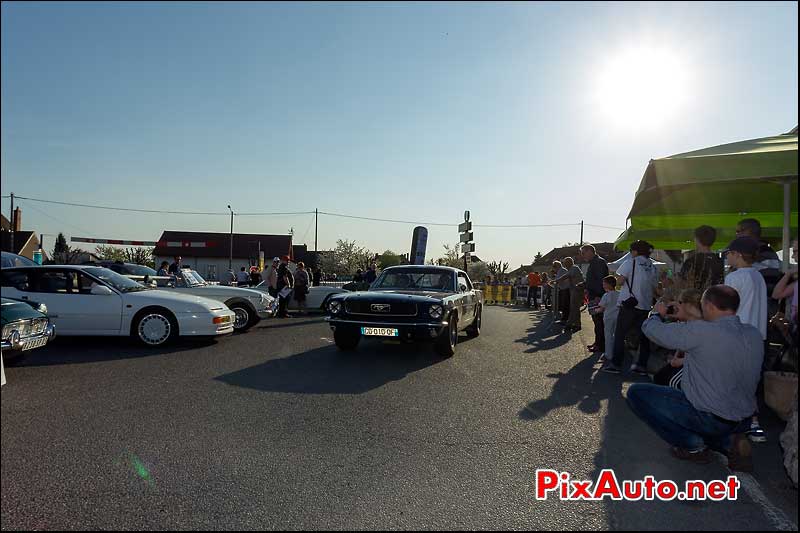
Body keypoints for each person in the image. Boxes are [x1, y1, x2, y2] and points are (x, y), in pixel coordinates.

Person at [626, 285, 763, 470]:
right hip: (743, 417)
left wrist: (657, 313)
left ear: (709, 306)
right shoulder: (753, 333)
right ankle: (728, 442)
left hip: (709, 417)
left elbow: (652, 330)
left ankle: (693, 445)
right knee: (712, 416)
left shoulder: (702, 332)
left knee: (636, 393)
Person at [723, 236, 768, 442]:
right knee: (750, 383)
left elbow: (725, 309)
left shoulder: (735, 278)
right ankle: (753, 424)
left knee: (732, 382)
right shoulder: (758, 276)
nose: (726, 257)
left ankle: (734, 427)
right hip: (757, 336)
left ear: (737, 255)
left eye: (728, 253)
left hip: (737, 335)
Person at [602, 240, 659, 375]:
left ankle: (616, 364)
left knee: (620, 335)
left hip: (629, 304)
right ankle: (641, 366)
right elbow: (655, 287)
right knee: (643, 337)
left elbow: (620, 281)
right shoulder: (652, 265)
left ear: (634, 251)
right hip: (645, 305)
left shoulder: (630, 262)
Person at [652, 289, 704, 390]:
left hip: (695, 369)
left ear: (689, 305)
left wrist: (657, 315)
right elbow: (682, 344)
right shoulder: (691, 321)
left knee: (668, 381)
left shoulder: (700, 327)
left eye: (679, 302)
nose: (676, 306)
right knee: (660, 377)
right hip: (687, 362)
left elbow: (704, 356)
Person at [581, 244, 610, 353]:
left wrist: (598, 295)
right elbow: (593, 279)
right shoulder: (595, 262)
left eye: (584, 253)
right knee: (597, 321)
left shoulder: (598, 262)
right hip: (595, 295)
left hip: (597, 296)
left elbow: (601, 280)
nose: (583, 255)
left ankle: (600, 345)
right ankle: (598, 342)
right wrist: (584, 284)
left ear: (590, 251)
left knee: (599, 322)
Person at [679, 225, 724, 291]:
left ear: (696, 239)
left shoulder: (691, 261)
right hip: (713, 299)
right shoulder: (719, 261)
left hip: (693, 299)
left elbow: (682, 284)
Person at [592, 275, 619, 365]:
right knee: (616, 335)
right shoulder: (619, 294)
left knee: (608, 336)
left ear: (608, 285)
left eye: (604, 283)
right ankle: (616, 353)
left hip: (608, 317)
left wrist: (595, 310)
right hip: (617, 317)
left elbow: (601, 308)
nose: (603, 285)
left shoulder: (606, 295)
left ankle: (608, 354)